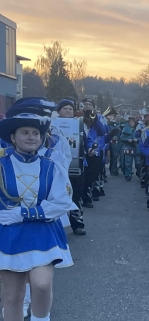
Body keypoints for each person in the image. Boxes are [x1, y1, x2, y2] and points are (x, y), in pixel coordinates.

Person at [0, 103, 75, 321]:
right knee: (12, 296)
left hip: (42, 232)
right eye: (25, 132)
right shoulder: (1, 165)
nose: (31, 137)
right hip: (9, 236)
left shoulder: (51, 166)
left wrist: (24, 213)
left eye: (35, 133)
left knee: (41, 284)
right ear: (13, 137)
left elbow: (62, 202)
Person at [54, 99, 86, 235]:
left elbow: (86, 140)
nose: (68, 111)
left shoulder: (80, 124)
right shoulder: (52, 124)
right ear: (59, 110)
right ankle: (55, 226)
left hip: (76, 165)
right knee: (55, 196)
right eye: (65, 108)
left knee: (76, 195)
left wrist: (90, 148)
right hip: (56, 166)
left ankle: (77, 224)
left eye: (70, 109)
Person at [81, 99, 108, 205]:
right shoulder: (78, 116)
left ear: (93, 107)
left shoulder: (99, 118)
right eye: (85, 104)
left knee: (91, 175)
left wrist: (95, 119)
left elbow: (102, 131)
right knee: (82, 175)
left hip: (95, 149)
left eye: (90, 105)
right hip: (81, 149)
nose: (87, 106)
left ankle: (88, 196)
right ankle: (82, 197)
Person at [120, 116, 138, 181]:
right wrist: (127, 139)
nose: (131, 123)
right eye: (130, 122)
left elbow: (142, 138)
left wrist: (137, 139)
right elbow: (121, 138)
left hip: (136, 148)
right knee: (128, 163)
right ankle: (128, 175)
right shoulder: (125, 130)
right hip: (128, 147)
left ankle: (139, 173)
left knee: (138, 162)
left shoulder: (137, 129)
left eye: (133, 122)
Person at [105, 109, 121, 176]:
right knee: (114, 156)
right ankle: (113, 170)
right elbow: (109, 131)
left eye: (120, 116)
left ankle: (113, 169)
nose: (119, 117)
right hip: (113, 141)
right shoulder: (111, 123)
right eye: (118, 116)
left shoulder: (120, 123)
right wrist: (116, 128)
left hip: (118, 142)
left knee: (115, 156)